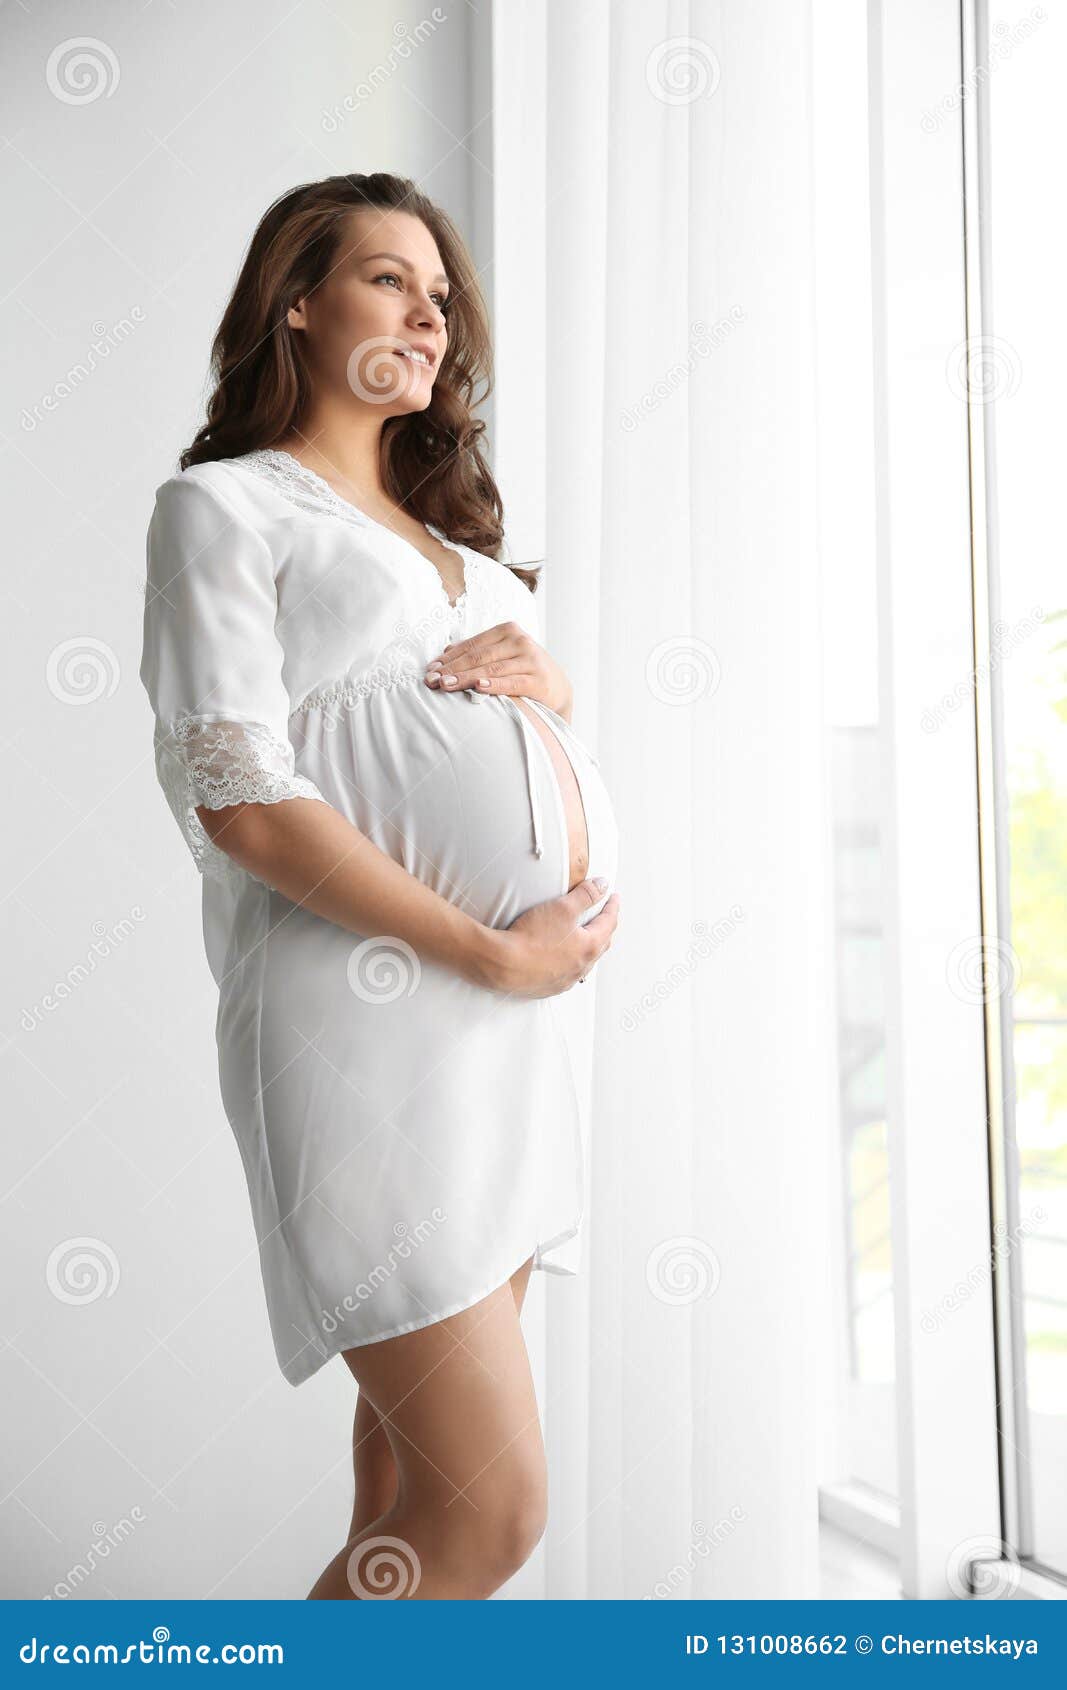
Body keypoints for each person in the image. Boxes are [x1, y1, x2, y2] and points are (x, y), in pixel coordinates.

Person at [139, 172, 621, 1599]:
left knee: (411, 1500)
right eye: (388, 280)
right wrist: (489, 947)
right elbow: (245, 802)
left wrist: (553, 689)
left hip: (511, 1032)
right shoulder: (222, 510)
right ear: (299, 301)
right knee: (493, 1508)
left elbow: (510, 748)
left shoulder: (470, 556)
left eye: (440, 291)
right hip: (368, 1018)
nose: (431, 313)